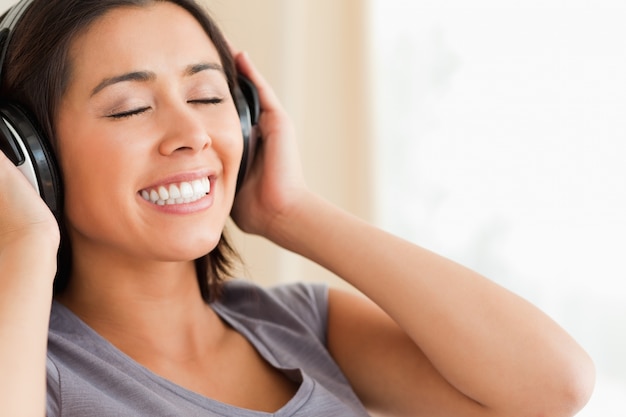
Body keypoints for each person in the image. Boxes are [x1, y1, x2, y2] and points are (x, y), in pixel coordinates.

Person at [0, 0, 595, 416]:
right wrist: (22, 243)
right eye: (130, 107)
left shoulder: (298, 326)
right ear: (26, 153)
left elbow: (553, 387)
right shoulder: (31, 363)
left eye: (208, 95)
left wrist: (292, 211)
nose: (192, 132)